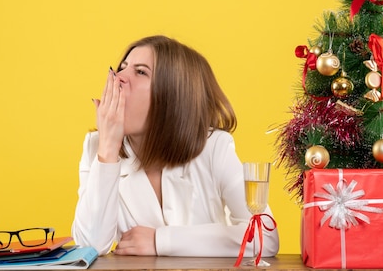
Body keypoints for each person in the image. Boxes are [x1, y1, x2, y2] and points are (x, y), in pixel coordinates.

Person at [71, 35, 279, 257]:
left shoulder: (214, 148)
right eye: (122, 68)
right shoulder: (98, 148)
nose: (118, 78)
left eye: (140, 72)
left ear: (173, 96)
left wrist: (161, 241)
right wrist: (108, 148)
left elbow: (264, 237)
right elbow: (89, 246)